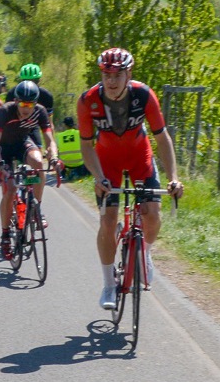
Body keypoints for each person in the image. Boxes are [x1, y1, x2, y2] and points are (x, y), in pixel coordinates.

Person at [76, 47, 184, 310]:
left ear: (129, 74)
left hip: (140, 159)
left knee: (152, 215)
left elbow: (162, 138)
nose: (111, 81)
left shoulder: (144, 95)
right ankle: (108, 284)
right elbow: (87, 146)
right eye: (106, 74)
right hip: (107, 163)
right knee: (108, 220)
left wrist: (173, 178)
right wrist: (98, 177)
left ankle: (144, 252)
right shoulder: (88, 101)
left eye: (118, 74)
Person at [0, 80, 58, 259]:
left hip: (21, 143)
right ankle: (5, 235)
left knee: (38, 163)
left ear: (36, 103)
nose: (25, 108)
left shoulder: (40, 112)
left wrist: (53, 156)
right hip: (2, 149)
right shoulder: (4, 111)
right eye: (22, 103)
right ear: (16, 101)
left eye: (30, 104)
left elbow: (49, 140)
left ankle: (36, 207)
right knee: (11, 189)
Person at [56, 115, 89, 183]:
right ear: (73, 124)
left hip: (65, 163)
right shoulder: (79, 133)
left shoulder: (59, 136)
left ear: (65, 125)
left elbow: (57, 150)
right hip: (79, 162)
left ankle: (64, 173)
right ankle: (76, 173)